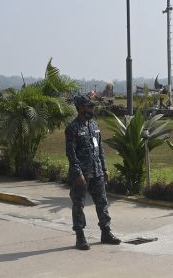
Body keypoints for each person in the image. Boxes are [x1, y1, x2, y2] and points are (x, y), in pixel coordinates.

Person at [65, 95, 121, 250]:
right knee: (78, 204)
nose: (92, 109)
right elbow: (71, 153)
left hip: (97, 171)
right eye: (89, 106)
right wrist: (77, 173)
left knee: (102, 202)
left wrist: (104, 168)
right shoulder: (72, 128)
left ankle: (106, 232)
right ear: (81, 107)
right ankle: (80, 236)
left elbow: (100, 149)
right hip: (81, 174)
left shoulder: (95, 125)